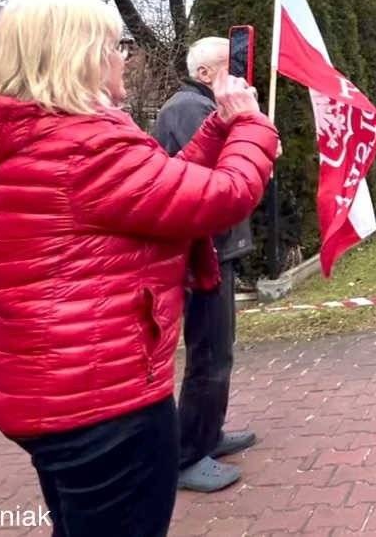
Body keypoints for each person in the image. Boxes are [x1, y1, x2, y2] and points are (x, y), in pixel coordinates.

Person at [0, 0, 279, 537]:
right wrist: (251, 124)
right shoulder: (84, 145)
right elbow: (221, 195)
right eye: (115, 45)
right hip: (100, 402)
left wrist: (221, 127)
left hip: (53, 390)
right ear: (78, 55)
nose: (124, 56)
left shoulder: (42, 138)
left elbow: (161, 186)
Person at [153, 37, 258, 493]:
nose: (240, 75)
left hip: (216, 249)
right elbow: (217, 172)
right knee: (209, 356)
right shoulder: (188, 110)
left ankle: (208, 434)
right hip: (201, 256)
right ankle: (187, 454)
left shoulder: (197, 104)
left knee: (220, 351)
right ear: (203, 74)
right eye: (229, 67)